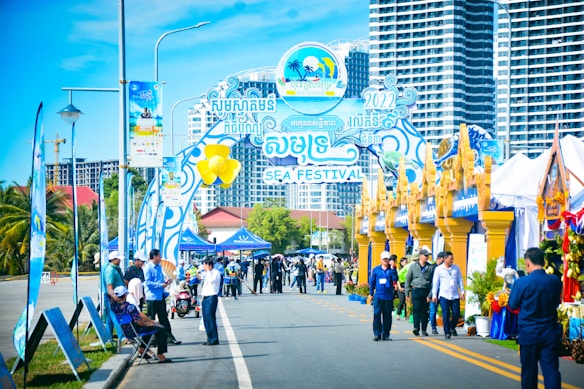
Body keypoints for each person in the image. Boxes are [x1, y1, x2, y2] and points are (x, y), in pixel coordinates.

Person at [509, 247, 562, 389]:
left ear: (527, 263)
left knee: (529, 373)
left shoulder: (522, 283)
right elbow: (557, 302)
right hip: (549, 332)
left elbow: (512, 304)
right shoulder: (554, 281)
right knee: (551, 371)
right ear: (544, 262)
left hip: (528, 332)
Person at [110, 286, 172, 363]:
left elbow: (111, 298)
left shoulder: (114, 307)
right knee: (161, 329)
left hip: (127, 331)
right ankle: (161, 355)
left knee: (149, 329)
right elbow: (139, 321)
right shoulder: (130, 307)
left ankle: (142, 348)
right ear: (125, 295)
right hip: (136, 331)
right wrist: (148, 323)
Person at [144, 249, 181, 345]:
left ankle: (169, 337)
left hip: (160, 296)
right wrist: (160, 285)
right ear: (155, 257)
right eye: (159, 256)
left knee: (164, 318)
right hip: (152, 298)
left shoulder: (159, 267)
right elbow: (147, 283)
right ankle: (151, 340)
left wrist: (166, 283)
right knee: (151, 319)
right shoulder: (148, 268)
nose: (160, 257)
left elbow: (160, 280)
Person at [432, 251, 464, 339]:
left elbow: (460, 280)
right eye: (450, 259)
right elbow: (435, 283)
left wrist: (462, 292)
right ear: (445, 259)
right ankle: (447, 332)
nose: (452, 261)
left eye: (452, 259)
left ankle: (452, 327)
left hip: (454, 295)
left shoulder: (456, 268)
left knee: (456, 314)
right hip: (444, 295)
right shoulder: (438, 269)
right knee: (445, 314)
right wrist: (434, 295)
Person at [369, 251, 399, 341]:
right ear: (381, 260)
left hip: (388, 296)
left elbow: (395, 279)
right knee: (377, 315)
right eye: (384, 259)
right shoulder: (376, 270)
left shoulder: (392, 270)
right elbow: (372, 282)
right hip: (378, 295)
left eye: (387, 259)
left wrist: (393, 269)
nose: (386, 260)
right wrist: (371, 294)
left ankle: (386, 334)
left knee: (387, 316)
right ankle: (377, 334)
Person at [405, 248, 434, 336]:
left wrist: (430, 294)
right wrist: (407, 292)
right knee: (416, 309)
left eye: (428, 256)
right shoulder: (413, 266)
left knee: (425, 311)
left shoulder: (430, 267)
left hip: (426, 290)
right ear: (420, 256)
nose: (427, 257)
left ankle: (424, 329)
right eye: (425, 255)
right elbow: (408, 279)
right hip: (416, 290)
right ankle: (416, 328)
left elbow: (433, 282)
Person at [200, 258, 221, 345]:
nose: (203, 267)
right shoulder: (206, 273)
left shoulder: (215, 272)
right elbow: (201, 278)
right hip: (205, 297)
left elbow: (212, 281)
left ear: (208, 265)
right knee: (206, 318)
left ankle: (214, 338)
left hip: (212, 296)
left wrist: (208, 271)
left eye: (204, 265)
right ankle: (209, 337)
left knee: (210, 317)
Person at [429, 251, 446, 333]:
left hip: (443, 293)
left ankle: (447, 328)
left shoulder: (446, 268)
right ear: (440, 259)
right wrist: (430, 294)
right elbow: (430, 282)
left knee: (445, 310)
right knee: (433, 311)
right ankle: (433, 327)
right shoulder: (433, 268)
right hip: (433, 292)